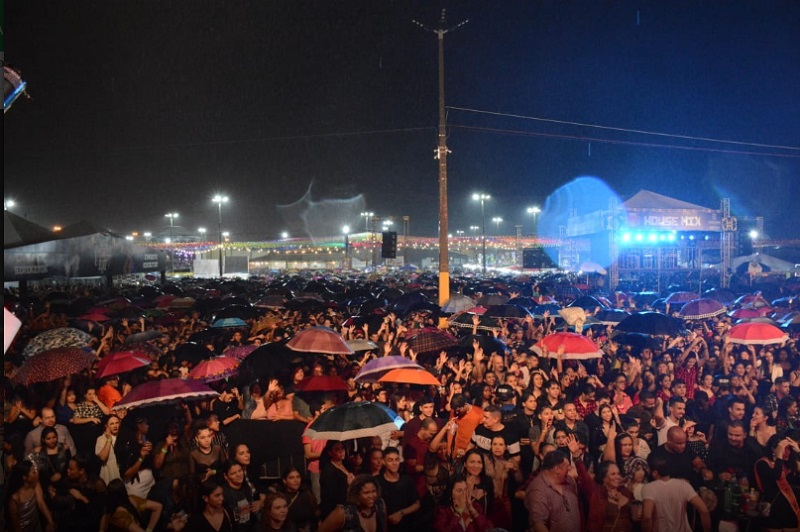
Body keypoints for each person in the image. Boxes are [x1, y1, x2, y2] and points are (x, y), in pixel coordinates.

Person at [574, 436, 635, 532]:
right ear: (604, 477)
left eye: (618, 474)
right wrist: (576, 455)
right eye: (613, 474)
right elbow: (584, 476)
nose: (617, 477)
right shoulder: (596, 492)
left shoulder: (626, 492)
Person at [641, 454, 711, 532]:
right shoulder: (684, 485)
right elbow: (704, 510)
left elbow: (647, 516)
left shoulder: (649, 488)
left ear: (654, 472)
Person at [525, 450, 582, 532]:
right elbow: (538, 523)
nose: (570, 469)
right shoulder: (538, 489)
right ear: (557, 469)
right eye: (567, 466)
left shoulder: (570, 481)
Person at [753, 434, 800, 531]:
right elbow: (776, 476)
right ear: (773, 449)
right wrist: (779, 456)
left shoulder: (791, 465)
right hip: (773, 514)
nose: (787, 452)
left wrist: (798, 451)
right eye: (784, 449)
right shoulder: (763, 463)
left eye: (789, 449)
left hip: (790, 514)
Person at [318, 474, 388, 532]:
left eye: (373, 491)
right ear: (356, 494)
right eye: (366, 493)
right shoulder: (343, 512)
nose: (371, 496)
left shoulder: (380, 505)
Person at [374, 447, 420, 531]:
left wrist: (400, 513)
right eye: (390, 460)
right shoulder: (377, 481)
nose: (394, 463)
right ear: (383, 462)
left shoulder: (407, 480)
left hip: (406, 526)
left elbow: (417, 504)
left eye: (397, 459)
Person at [7, 460, 56, 532]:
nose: (37, 473)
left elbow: (41, 503)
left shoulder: (35, 485)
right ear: (24, 477)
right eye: (33, 472)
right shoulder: (15, 498)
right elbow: (16, 527)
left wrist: (51, 522)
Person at [222, 460, 263, 532]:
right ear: (226, 476)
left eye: (240, 470)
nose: (238, 475)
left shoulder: (246, 488)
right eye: (233, 473)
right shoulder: (223, 493)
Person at [319, 441, 354, 520]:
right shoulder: (328, 471)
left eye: (342, 448)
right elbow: (333, 497)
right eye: (337, 449)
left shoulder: (346, 464)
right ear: (330, 453)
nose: (341, 451)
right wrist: (349, 485)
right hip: (335, 512)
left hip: (348, 507)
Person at [276, 467, 318, 532]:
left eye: (298, 477)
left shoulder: (306, 493)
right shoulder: (280, 497)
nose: (296, 480)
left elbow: (315, 513)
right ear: (284, 480)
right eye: (291, 478)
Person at [447, 394, 483, 460]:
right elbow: (451, 431)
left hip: (471, 451)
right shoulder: (454, 412)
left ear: (465, 405)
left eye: (458, 410)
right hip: (457, 450)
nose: (456, 413)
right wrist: (449, 449)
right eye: (455, 410)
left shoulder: (479, 413)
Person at [95, 414, 122, 486]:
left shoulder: (123, 436)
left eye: (117, 423)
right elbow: (103, 457)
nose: (115, 426)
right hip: (109, 471)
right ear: (106, 426)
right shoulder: (101, 439)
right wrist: (109, 439)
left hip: (121, 470)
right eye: (112, 424)